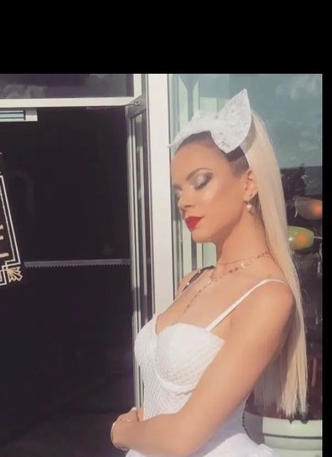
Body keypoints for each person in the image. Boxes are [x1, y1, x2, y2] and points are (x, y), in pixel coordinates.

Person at [110, 89, 308, 456]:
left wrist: (123, 434)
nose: (184, 201)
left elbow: (181, 439)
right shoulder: (193, 280)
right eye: (178, 190)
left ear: (249, 184)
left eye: (200, 181)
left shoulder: (268, 296)